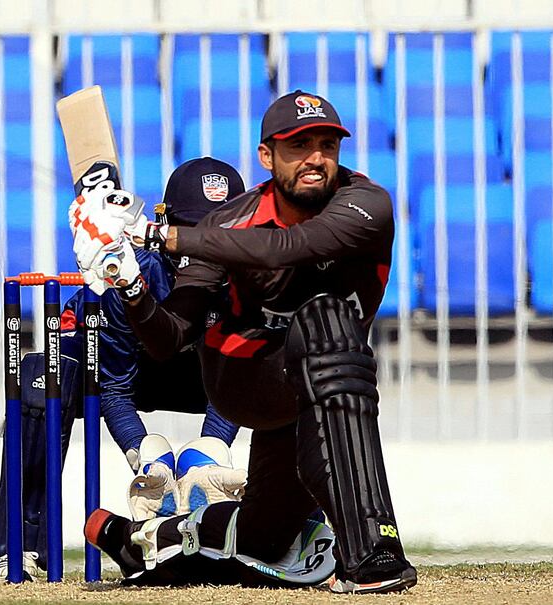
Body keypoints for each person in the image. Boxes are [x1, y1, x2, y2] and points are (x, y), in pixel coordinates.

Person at [71, 90, 417, 593]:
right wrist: (129, 284)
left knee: (265, 536)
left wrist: (154, 235)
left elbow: (290, 248)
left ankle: (145, 537)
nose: (316, 159)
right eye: (298, 147)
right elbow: (169, 339)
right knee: (328, 322)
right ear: (266, 157)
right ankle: (374, 553)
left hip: (313, 390)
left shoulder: (365, 204)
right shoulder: (227, 224)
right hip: (245, 381)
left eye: (326, 144)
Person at [0, 157, 249, 579]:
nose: (202, 245)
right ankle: (19, 549)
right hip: (129, 368)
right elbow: (114, 386)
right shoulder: (130, 273)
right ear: (163, 224)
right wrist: (142, 454)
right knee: (45, 374)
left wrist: (208, 457)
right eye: (191, 230)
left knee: (300, 370)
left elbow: (240, 374)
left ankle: (303, 540)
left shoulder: (249, 280)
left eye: (216, 233)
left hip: (209, 378)